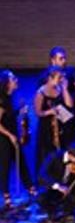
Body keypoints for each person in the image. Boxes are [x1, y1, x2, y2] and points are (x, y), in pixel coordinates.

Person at [0, 70, 36, 205]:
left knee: (21, 162)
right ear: (7, 83)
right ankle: (6, 194)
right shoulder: (2, 99)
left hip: (12, 135)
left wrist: (20, 110)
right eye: (13, 79)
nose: (16, 80)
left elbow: (9, 117)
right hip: (3, 138)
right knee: (5, 165)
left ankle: (30, 188)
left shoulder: (10, 98)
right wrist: (9, 135)